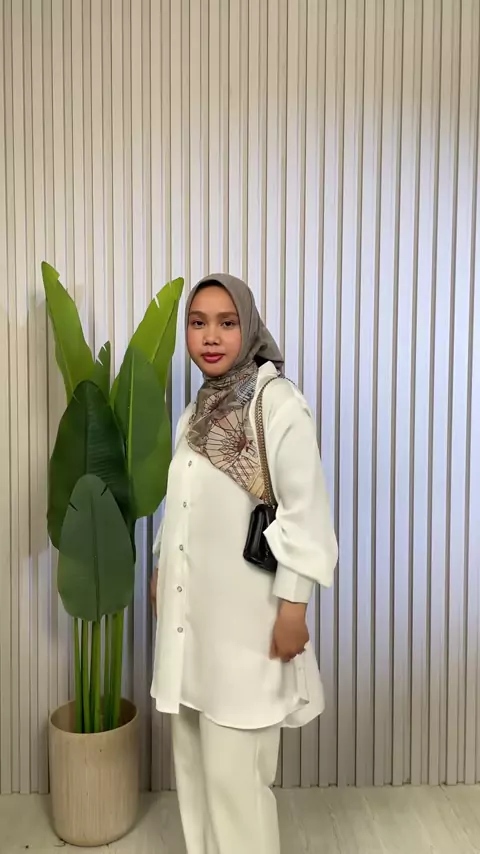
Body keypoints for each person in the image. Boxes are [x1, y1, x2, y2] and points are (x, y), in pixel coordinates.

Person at [150, 274, 338, 854]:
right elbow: (180, 503)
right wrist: (160, 566)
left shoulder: (276, 404)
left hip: (248, 627)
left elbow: (306, 513)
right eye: (198, 322)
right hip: (191, 626)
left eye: (226, 323)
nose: (211, 336)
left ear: (248, 327)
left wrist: (294, 607)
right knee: (194, 771)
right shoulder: (196, 412)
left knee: (237, 784)